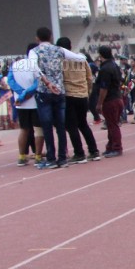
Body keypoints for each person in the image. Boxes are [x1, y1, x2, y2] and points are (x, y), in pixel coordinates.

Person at [29, 26, 87, 168]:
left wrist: (47, 82)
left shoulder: (34, 51)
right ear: (50, 37)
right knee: (61, 126)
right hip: (60, 92)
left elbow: (33, 68)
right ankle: (62, 158)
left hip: (44, 91)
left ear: (37, 38)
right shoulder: (59, 50)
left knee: (47, 126)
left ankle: (51, 158)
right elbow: (80, 58)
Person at [56, 37, 101, 163]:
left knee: (71, 126)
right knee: (83, 124)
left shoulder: (61, 61)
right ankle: (94, 151)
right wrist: (87, 92)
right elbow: (89, 77)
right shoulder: (82, 59)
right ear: (70, 46)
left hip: (69, 95)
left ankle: (79, 153)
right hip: (82, 95)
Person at [6, 43, 45, 165]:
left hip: (21, 103)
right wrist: (25, 94)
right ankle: (38, 156)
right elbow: (36, 84)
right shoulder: (36, 65)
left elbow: (10, 81)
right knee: (39, 130)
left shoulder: (15, 64)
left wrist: (21, 94)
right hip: (34, 101)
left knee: (24, 129)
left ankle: (22, 156)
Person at [95, 46, 124, 157]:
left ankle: (116, 147)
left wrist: (99, 103)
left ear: (100, 55)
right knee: (112, 124)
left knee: (112, 125)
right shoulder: (114, 66)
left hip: (110, 99)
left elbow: (104, 88)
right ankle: (111, 146)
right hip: (117, 97)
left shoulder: (105, 69)